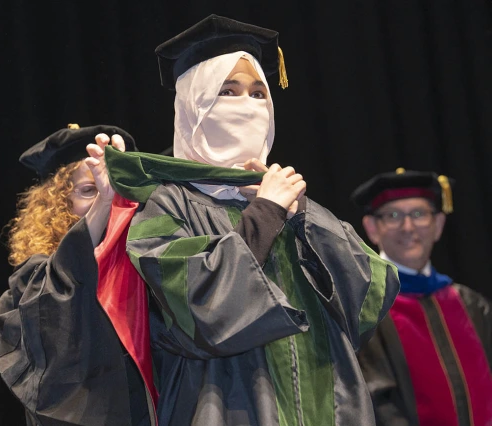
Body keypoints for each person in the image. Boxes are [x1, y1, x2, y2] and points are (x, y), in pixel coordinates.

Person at [99, 14, 400, 426]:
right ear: (194, 106)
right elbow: (200, 313)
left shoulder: (286, 199)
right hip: (226, 405)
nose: (247, 105)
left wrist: (301, 218)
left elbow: (369, 300)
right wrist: (265, 217)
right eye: (228, 91)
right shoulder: (168, 204)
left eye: (259, 93)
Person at [0, 123, 154, 425]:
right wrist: (103, 204)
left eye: (117, 190)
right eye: (88, 190)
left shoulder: (147, 263)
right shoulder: (37, 278)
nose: (108, 195)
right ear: (57, 206)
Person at [350, 167, 492, 426]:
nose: (408, 227)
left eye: (419, 214)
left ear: (438, 224)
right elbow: (373, 402)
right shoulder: (364, 309)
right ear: (372, 228)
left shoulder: (470, 304)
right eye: (393, 216)